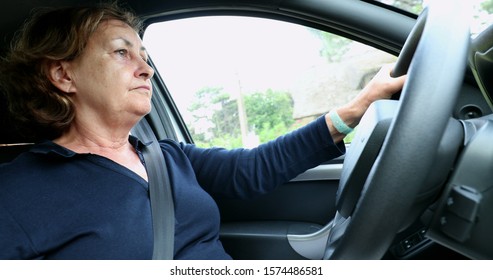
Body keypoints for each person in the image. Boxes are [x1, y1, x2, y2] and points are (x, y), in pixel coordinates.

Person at [0, 3, 406, 260]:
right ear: (63, 74)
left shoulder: (166, 156)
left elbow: (255, 169)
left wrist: (360, 106)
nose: (147, 69)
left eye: (145, 56)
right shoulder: (15, 194)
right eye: (122, 52)